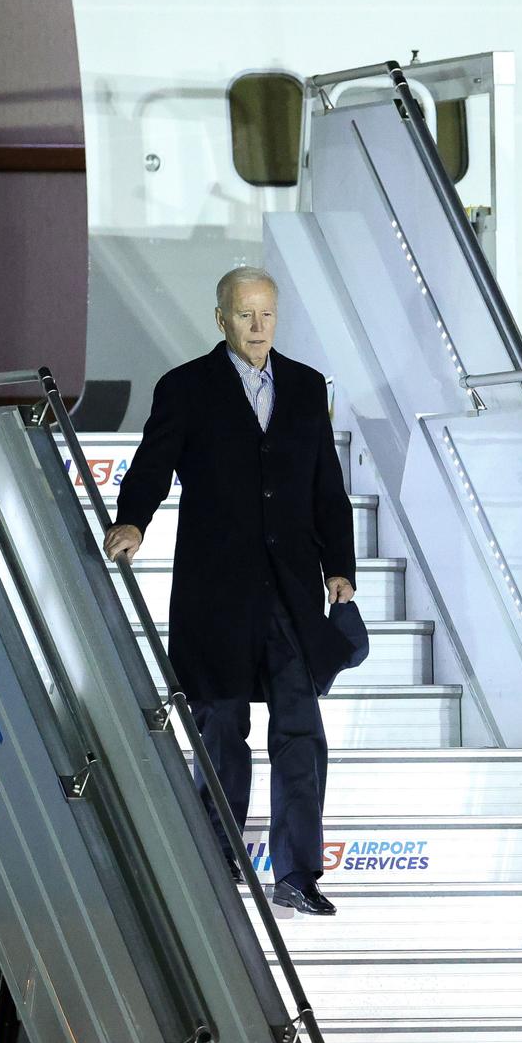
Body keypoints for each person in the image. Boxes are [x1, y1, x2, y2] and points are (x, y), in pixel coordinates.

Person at [104, 267, 355, 916]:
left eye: (267, 315)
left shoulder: (304, 388)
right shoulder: (186, 387)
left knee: (301, 735)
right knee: (223, 732)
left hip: (292, 597)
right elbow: (153, 465)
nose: (257, 327)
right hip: (217, 597)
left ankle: (297, 875)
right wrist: (132, 520)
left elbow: (327, 485)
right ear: (221, 318)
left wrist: (340, 567)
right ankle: (215, 867)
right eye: (245, 315)